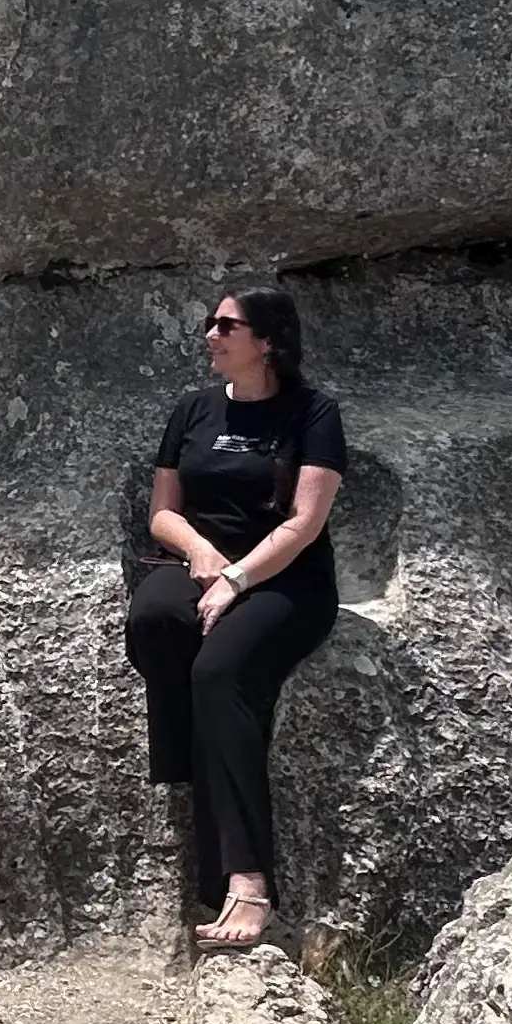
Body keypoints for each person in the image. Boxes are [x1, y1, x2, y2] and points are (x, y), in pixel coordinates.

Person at [123, 290, 347, 952]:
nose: (211, 333)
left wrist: (238, 578)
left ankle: (248, 881)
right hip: (203, 562)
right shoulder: (194, 409)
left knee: (220, 674)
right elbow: (162, 512)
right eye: (210, 322)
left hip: (284, 579)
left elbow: (306, 524)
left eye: (228, 325)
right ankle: (196, 763)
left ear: (268, 341)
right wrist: (203, 559)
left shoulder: (313, 413)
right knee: (154, 620)